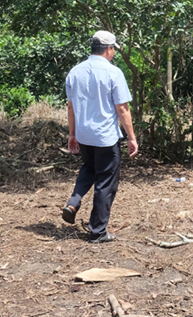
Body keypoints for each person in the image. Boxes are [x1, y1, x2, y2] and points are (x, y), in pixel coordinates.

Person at [62, 30, 138, 243]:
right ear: (109, 49)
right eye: (114, 49)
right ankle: (98, 231)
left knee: (89, 168)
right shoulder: (113, 73)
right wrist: (131, 137)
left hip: (85, 135)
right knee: (106, 182)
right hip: (105, 137)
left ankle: (73, 202)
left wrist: (72, 134)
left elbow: (71, 107)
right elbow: (122, 109)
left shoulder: (75, 72)